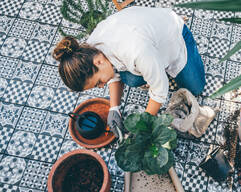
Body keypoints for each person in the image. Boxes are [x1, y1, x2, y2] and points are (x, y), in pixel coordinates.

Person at [53, 6, 206, 142]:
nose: (101, 87)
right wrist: (114, 108)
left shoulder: (135, 51)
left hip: (175, 36)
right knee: (131, 78)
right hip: (148, 41)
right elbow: (111, 72)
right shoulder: (90, 50)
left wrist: (142, 126)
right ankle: (154, 66)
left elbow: (160, 91)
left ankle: (178, 23)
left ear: (98, 62)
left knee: (196, 88)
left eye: (98, 82)